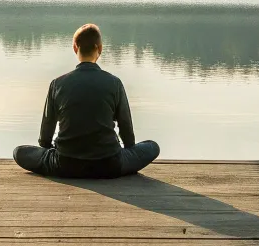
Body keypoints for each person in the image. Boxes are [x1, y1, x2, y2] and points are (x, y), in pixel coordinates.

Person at [13, 23, 160, 179]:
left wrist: (50, 153)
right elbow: (127, 134)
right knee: (152, 147)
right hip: (110, 165)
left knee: (19, 152)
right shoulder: (114, 83)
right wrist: (127, 152)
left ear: (75, 48)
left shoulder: (57, 84)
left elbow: (45, 137)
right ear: (100, 48)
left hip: (65, 165)